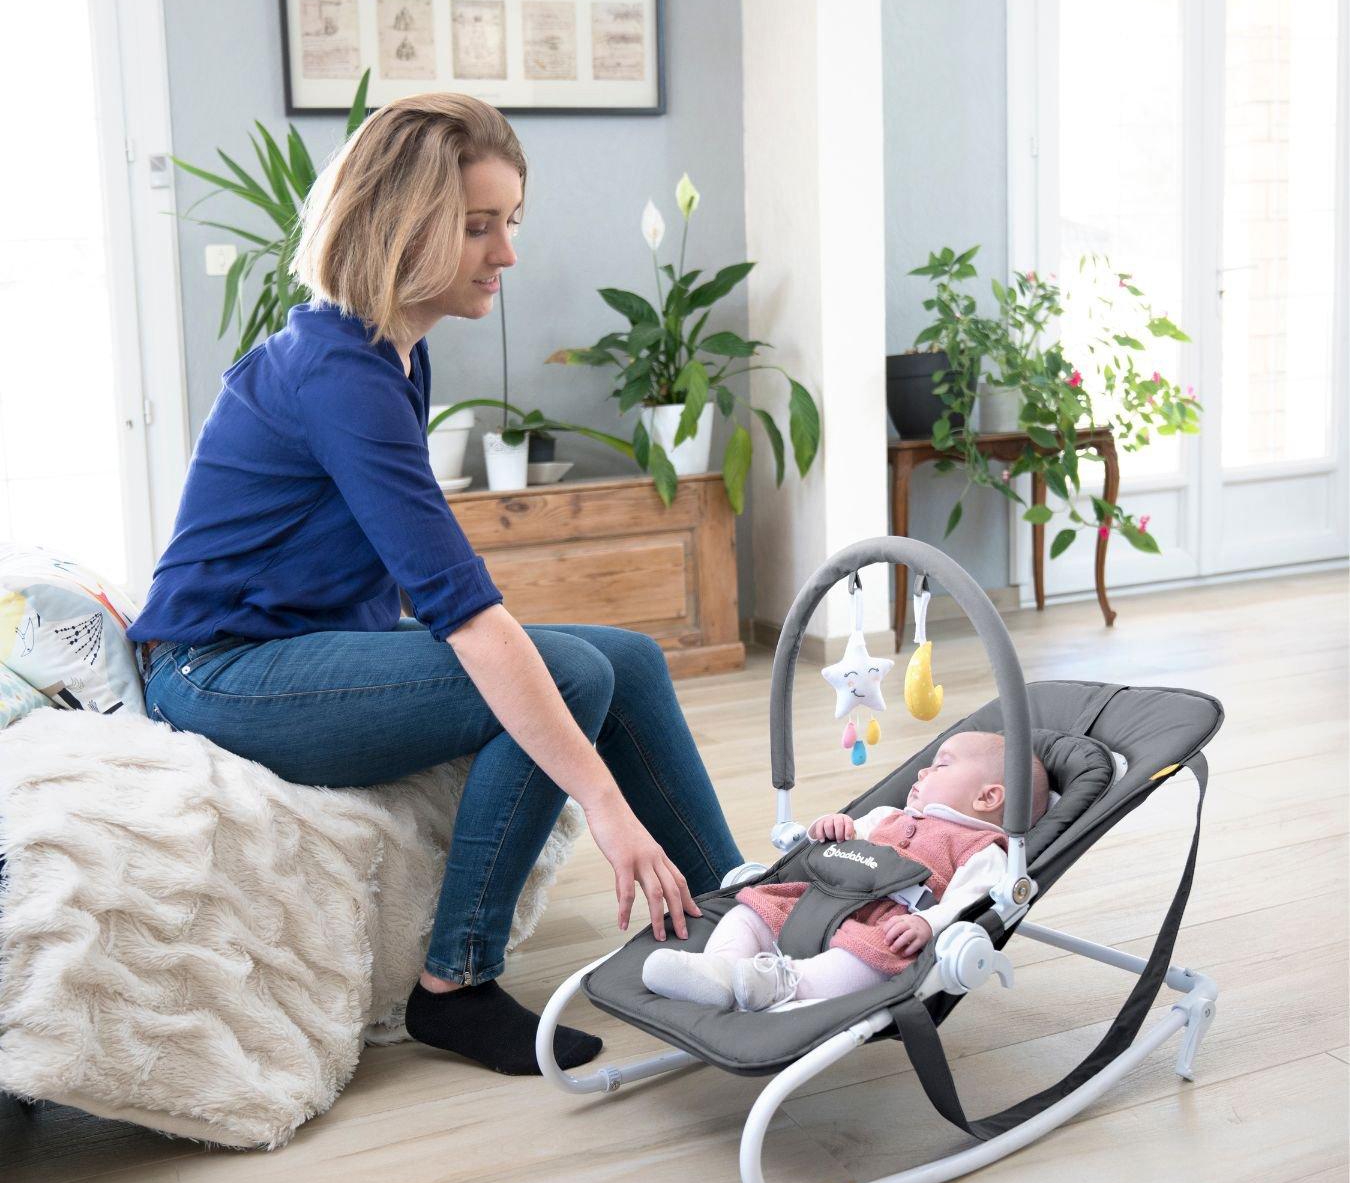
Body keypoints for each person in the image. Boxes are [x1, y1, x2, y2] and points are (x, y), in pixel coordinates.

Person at [126, 92, 743, 1074]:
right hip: (221, 675)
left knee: (618, 656)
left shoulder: (387, 353)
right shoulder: (340, 376)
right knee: (571, 673)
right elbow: (462, 607)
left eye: (510, 224)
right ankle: (455, 985)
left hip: (288, 650)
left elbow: (430, 586)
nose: (505, 253)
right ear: (403, 226)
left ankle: (735, 904)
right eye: (478, 226)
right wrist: (609, 810)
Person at [642, 731, 1049, 1013]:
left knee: (875, 960)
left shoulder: (983, 851)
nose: (922, 772)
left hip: (883, 925)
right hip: (821, 897)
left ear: (988, 797)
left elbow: (970, 900)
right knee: (753, 908)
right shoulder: (889, 815)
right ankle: (718, 970)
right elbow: (852, 835)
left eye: (940, 766)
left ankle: (781, 984)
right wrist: (835, 828)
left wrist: (928, 924)